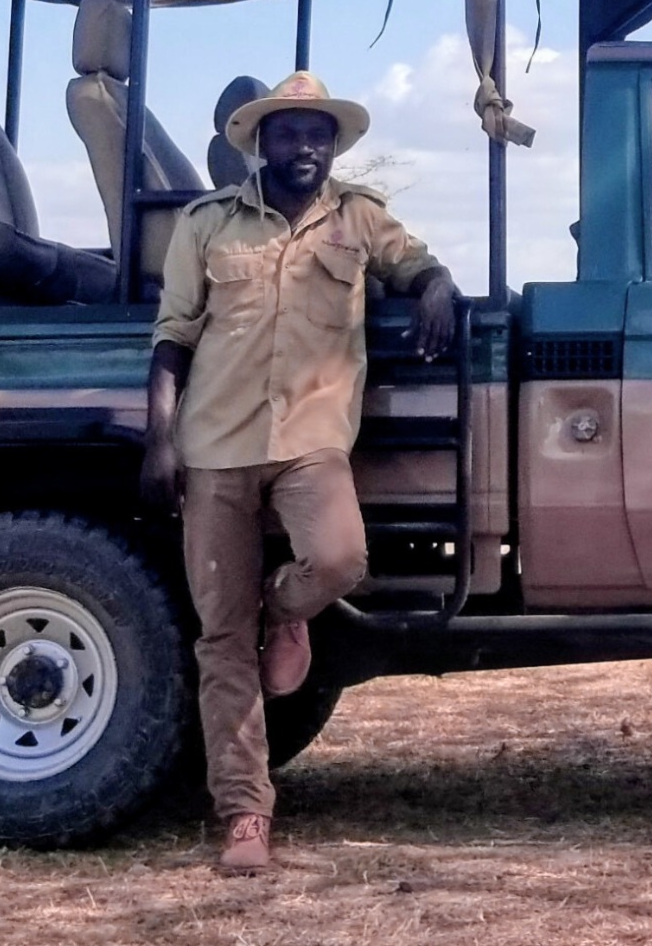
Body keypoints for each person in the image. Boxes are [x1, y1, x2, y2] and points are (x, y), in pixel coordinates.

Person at [142, 69, 458, 875]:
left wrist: (436, 288)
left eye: (319, 133)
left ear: (334, 143)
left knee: (339, 558)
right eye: (290, 133)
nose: (306, 145)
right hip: (215, 445)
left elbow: (415, 261)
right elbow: (174, 332)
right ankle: (245, 815)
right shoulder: (207, 223)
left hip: (313, 439)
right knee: (221, 640)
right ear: (260, 144)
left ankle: (283, 612)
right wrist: (161, 438)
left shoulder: (358, 218)